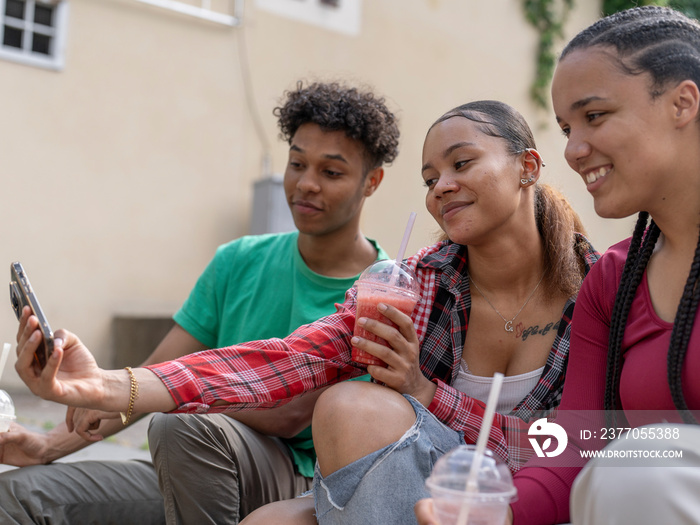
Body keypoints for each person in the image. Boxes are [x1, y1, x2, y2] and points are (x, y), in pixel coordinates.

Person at [14, 100, 599, 525]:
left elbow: (581, 447)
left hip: (524, 495)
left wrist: (426, 391)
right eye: (430, 177)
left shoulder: (599, 293)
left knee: (351, 408)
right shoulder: (420, 282)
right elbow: (291, 358)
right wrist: (105, 386)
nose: (442, 187)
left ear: (527, 166)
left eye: (461, 164)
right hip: (396, 486)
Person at [0, 80, 398, 525]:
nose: (305, 184)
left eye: (331, 172)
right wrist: (47, 446)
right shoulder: (239, 261)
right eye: (296, 163)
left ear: (372, 182)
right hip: (189, 459)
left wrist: (159, 395)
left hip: (297, 483)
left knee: (179, 426)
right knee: (17, 496)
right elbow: (156, 374)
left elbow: (287, 414)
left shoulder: (382, 296)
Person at [417, 6, 700, 525]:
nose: (573, 150)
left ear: (682, 103)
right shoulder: (613, 281)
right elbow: (573, 451)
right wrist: (493, 516)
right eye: (567, 127)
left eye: (594, 116)